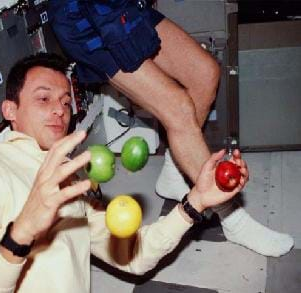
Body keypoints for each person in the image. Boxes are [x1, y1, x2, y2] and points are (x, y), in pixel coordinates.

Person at [0, 53, 249, 292]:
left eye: (66, 102)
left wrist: (196, 201)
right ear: (10, 110)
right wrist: (21, 232)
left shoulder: (69, 180)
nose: (60, 110)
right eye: (43, 98)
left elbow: (135, 256)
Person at [48, 0, 294, 257]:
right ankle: (232, 217)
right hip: (87, 18)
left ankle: (173, 172)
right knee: (177, 108)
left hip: (121, 6)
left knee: (205, 72)